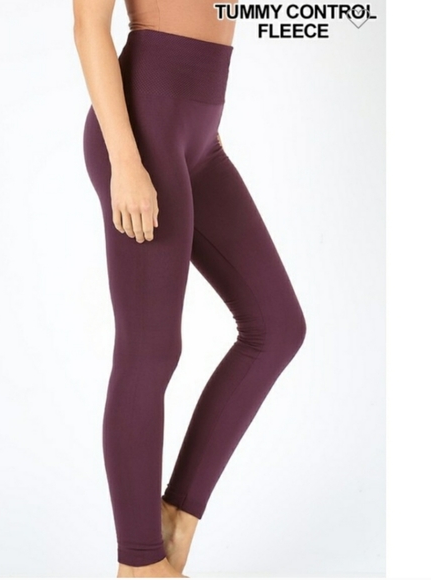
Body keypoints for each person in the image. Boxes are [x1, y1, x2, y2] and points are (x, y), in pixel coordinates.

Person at [73, 0, 307, 577]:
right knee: (149, 351)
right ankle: (139, 564)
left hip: (199, 137)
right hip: (142, 134)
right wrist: (126, 162)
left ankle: (175, 516)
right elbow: (88, 26)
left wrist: (199, 123)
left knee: (277, 327)